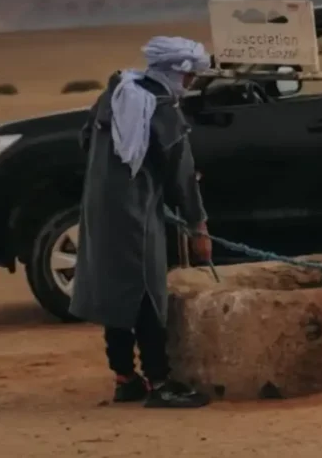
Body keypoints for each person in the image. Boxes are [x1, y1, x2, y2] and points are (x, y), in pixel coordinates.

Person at [70, 35, 214, 408]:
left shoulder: (115, 93)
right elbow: (181, 178)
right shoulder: (164, 110)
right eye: (189, 79)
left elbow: (86, 141)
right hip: (135, 213)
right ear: (174, 73)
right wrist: (199, 226)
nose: (190, 85)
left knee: (117, 292)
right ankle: (161, 382)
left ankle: (124, 377)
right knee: (147, 294)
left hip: (98, 207)